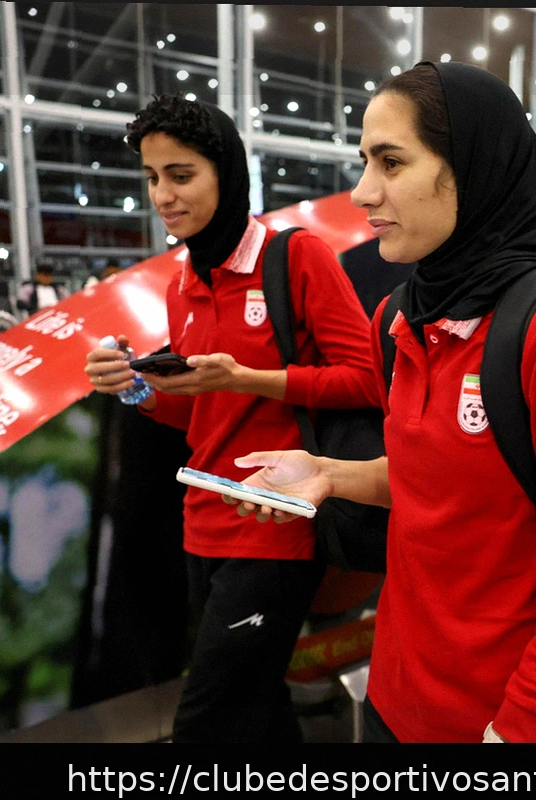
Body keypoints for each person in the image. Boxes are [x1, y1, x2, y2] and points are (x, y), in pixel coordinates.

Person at [228, 62, 536, 743]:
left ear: (471, 168)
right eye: (365, 162)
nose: (363, 191)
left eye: (391, 162)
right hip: (392, 696)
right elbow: (444, 485)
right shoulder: (402, 319)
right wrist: (328, 474)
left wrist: (522, 728)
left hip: (497, 718)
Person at [83, 95, 378, 743]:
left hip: (276, 524)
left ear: (228, 173)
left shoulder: (295, 258)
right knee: (257, 702)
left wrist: (249, 377)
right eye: (152, 177)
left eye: (181, 175)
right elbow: (202, 408)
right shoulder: (183, 282)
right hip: (203, 521)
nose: (163, 195)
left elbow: (366, 380)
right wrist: (134, 388)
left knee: (206, 717)